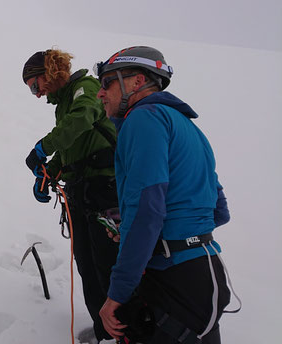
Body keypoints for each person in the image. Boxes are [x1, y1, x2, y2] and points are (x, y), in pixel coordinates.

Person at [94, 46, 233, 343]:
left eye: (107, 83)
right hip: (206, 273)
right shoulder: (189, 128)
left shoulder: (143, 120)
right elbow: (218, 210)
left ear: (136, 81)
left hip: (172, 280)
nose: (100, 93)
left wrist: (117, 293)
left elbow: (147, 211)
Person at [22, 49, 120, 343]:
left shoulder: (86, 89)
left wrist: (44, 145)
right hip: (80, 192)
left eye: (34, 86)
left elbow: (83, 118)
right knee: (87, 265)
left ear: (48, 73)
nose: (37, 93)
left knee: (107, 264)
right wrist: (48, 174)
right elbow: (71, 147)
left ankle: (125, 332)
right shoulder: (62, 105)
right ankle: (103, 329)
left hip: (104, 191)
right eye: (31, 90)